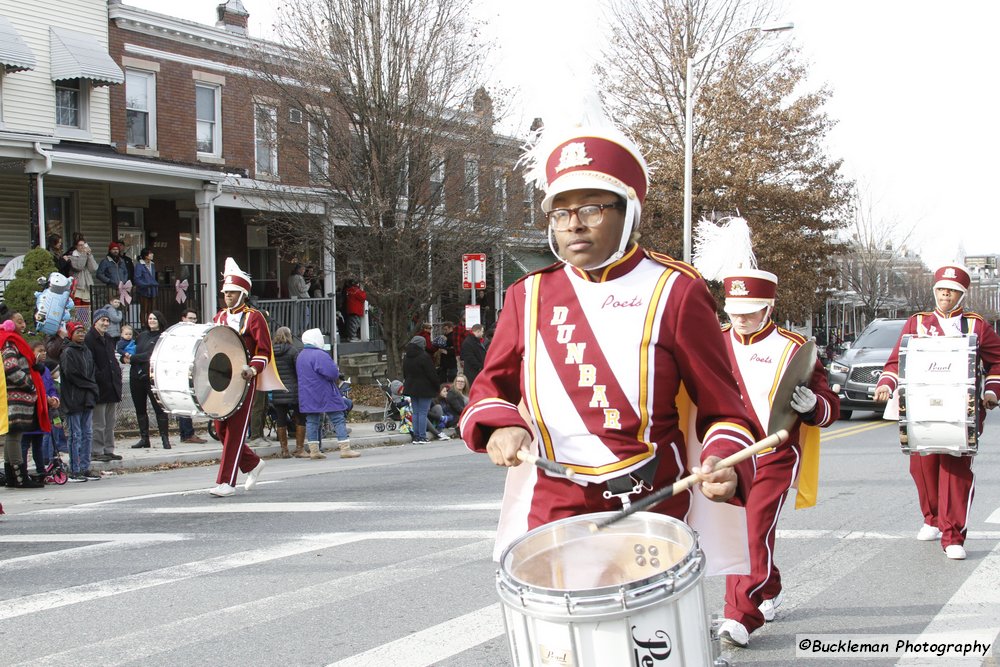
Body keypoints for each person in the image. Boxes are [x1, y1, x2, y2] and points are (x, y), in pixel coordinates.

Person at [458, 122, 759, 566]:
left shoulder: (675, 289)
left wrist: (722, 458)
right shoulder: (528, 294)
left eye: (591, 209)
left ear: (627, 213)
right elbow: (491, 387)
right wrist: (500, 424)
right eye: (560, 214)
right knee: (560, 635)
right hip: (555, 501)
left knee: (647, 633)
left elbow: (723, 406)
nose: (573, 225)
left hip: (652, 500)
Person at [714, 268, 840, 648]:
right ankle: (768, 585)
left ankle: (740, 615)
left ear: (769, 307)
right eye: (735, 310)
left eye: (750, 311)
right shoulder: (713, 341)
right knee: (742, 530)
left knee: (751, 528)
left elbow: (829, 407)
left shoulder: (794, 348)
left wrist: (814, 404)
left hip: (774, 452)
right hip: (727, 452)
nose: (741, 318)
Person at [874, 263, 1000, 561]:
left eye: (952, 291)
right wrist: (886, 384)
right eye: (942, 290)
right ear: (935, 292)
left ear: (961, 295)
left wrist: (992, 390)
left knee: (955, 470)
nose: (946, 295)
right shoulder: (917, 323)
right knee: (922, 468)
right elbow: (896, 361)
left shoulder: (976, 325)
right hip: (920, 407)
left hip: (962, 411)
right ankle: (931, 518)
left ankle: (953, 534)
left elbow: (997, 362)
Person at [209, 258, 282, 497]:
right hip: (220, 380)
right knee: (220, 429)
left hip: (243, 379)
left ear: (243, 293)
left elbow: (263, 350)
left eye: (232, 292)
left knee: (236, 431)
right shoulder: (219, 317)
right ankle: (252, 463)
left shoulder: (254, 317)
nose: (227, 296)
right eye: (225, 292)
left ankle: (226, 482)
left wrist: (252, 369)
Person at [296, 328, 359, 459]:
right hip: (324, 393)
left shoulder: (301, 355)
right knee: (338, 417)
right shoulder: (320, 355)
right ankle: (345, 448)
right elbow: (332, 373)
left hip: (307, 393)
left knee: (312, 420)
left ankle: (314, 450)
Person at [1, 320, 48, 488]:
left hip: (17, 396)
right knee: (14, 434)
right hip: (15, 396)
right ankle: (20, 478)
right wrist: (29, 383)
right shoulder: (9, 343)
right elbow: (10, 367)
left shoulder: (13, 342)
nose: (23, 324)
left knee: (13, 435)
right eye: (19, 321)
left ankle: (12, 477)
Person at [60, 321, 100, 482]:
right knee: (75, 434)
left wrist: (92, 388)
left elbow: (92, 371)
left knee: (87, 433)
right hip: (73, 398)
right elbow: (72, 375)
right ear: (71, 334)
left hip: (87, 398)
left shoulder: (87, 351)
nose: (81, 335)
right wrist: (91, 385)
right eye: (78, 332)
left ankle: (85, 467)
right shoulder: (68, 352)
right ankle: (74, 469)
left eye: (83, 332)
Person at [129, 311, 172, 450]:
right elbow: (131, 350)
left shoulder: (163, 336)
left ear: (160, 320)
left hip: (153, 378)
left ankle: (165, 439)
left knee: (159, 408)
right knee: (140, 409)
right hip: (136, 376)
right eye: (150, 318)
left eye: (155, 318)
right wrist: (124, 355)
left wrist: (131, 358)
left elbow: (151, 355)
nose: (152, 320)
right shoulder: (141, 336)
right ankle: (144, 439)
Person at [85, 307, 124, 462]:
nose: (106, 323)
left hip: (112, 385)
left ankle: (109, 449)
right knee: (99, 423)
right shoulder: (89, 339)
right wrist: (98, 377)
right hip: (99, 387)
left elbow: (112, 360)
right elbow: (90, 363)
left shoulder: (108, 338)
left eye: (107, 320)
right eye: (103, 320)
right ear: (95, 322)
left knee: (110, 423)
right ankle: (97, 451)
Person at [21, 341, 60, 478]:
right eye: (40, 350)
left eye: (44, 351)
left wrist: (54, 398)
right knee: (24, 443)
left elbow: (50, 387)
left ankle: (41, 470)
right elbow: (31, 388)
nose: (43, 353)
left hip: (42, 411)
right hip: (30, 410)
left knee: (38, 443)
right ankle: (22, 471)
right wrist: (45, 397)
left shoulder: (45, 370)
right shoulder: (27, 368)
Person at [271, 326, 307, 458]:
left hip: (278, 389)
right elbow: (299, 370)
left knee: (281, 419)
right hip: (293, 389)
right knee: (300, 417)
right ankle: (299, 448)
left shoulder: (271, 352)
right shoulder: (293, 350)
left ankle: (284, 450)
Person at [175, 309, 207, 444]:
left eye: (195, 318)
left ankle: (185, 434)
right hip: (181, 370)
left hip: (192, 370)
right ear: (183, 318)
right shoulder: (179, 333)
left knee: (187, 402)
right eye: (190, 318)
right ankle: (188, 434)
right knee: (185, 401)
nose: (193, 321)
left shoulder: (196, 333)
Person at [402, 335, 439, 444]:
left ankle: (416, 436)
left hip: (411, 387)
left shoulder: (407, 356)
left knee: (416, 412)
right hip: (424, 388)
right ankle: (422, 436)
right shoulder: (424, 356)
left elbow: (405, 373)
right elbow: (431, 374)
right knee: (423, 412)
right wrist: (437, 386)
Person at [68, 236, 98, 315]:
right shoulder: (72, 256)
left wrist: (90, 255)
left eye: (84, 245)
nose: (82, 247)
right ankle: (77, 324)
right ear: (76, 246)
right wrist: (84, 254)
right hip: (77, 286)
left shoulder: (86, 255)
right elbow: (79, 266)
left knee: (86, 309)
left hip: (87, 285)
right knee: (77, 308)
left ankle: (85, 325)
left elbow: (94, 268)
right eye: (80, 245)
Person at [134, 247, 158, 318]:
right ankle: (143, 325)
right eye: (150, 253)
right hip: (143, 290)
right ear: (146, 256)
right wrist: (147, 284)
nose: (152, 254)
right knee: (144, 309)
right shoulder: (139, 265)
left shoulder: (152, 264)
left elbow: (153, 277)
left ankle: (149, 324)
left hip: (152, 290)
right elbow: (137, 279)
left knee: (151, 310)